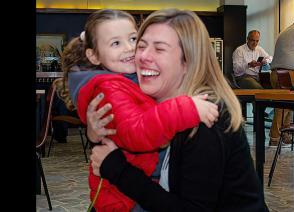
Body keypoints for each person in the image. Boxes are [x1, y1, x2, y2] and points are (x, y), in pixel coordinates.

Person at [88, 8, 269, 211]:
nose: (141, 56)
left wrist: (117, 169)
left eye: (159, 49)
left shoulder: (207, 116)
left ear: (188, 61)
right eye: (141, 46)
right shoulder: (149, 100)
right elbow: (119, 141)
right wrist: (96, 133)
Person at [61, 9, 219, 211]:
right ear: (93, 56)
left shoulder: (128, 80)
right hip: (125, 200)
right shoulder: (111, 88)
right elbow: (136, 130)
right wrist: (187, 108)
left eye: (134, 39)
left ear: (188, 58)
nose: (130, 49)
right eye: (116, 43)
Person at [269, 15, 294, 146]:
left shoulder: (287, 30)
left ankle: (285, 136)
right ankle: (275, 138)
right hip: (287, 73)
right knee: (283, 107)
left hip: (275, 73)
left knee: (287, 105)